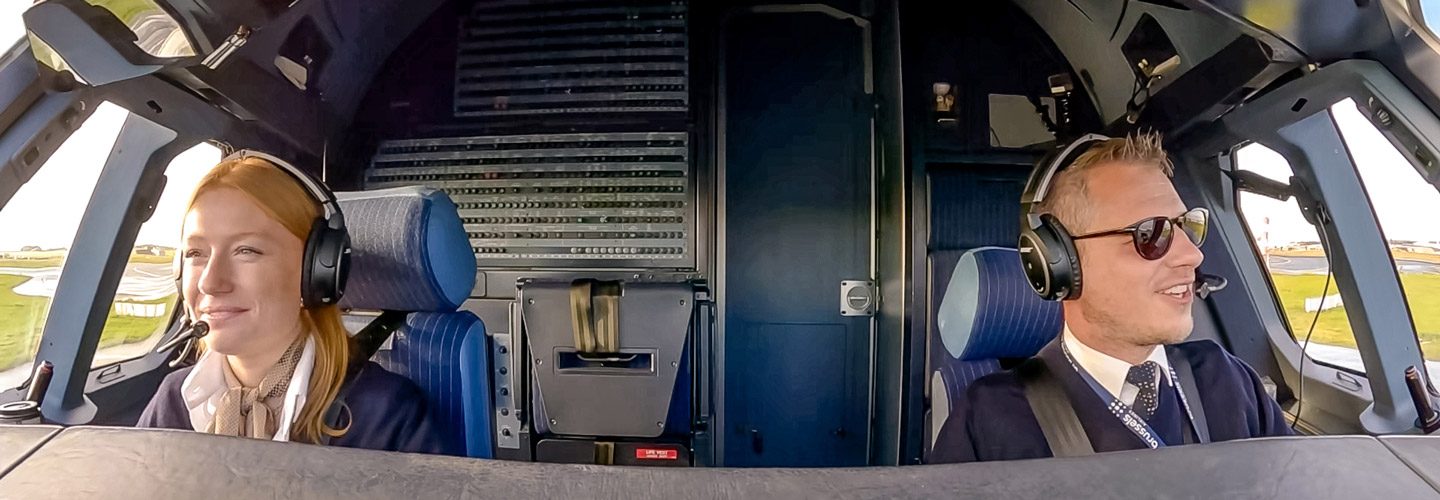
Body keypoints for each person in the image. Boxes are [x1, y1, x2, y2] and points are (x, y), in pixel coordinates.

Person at [929, 132, 1292, 463]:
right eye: (1151, 234)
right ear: (1059, 263)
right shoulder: (988, 421)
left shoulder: (1229, 379)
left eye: (1187, 226)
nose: (1192, 255)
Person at [137, 154, 451, 455]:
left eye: (247, 250)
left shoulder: (385, 415)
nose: (209, 282)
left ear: (315, 271)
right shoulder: (172, 401)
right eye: (195, 254)